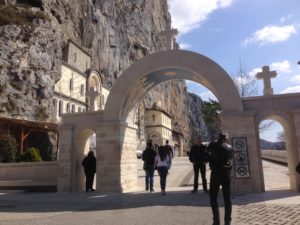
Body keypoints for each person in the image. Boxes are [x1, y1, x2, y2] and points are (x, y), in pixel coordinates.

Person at [207, 132, 233, 225]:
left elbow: (207, 154)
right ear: (225, 138)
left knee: (213, 198)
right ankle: (227, 221)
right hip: (226, 174)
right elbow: (230, 161)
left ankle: (216, 221)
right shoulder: (230, 148)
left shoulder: (212, 145)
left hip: (215, 174)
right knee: (227, 198)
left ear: (218, 137)